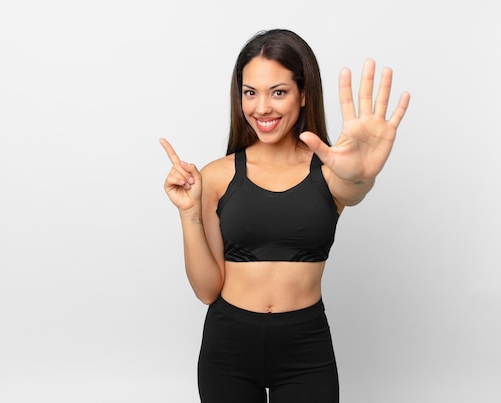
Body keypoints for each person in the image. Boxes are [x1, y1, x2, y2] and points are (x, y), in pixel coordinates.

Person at [159, 29, 410, 403]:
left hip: (305, 350)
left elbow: (353, 189)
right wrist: (189, 212)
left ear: (304, 93)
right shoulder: (216, 176)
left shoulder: (330, 172)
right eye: (250, 92)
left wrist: (362, 174)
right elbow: (207, 289)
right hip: (228, 348)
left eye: (278, 91)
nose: (262, 107)